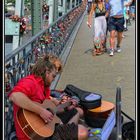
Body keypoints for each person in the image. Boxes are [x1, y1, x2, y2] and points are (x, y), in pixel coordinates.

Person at [8, 54, 88, 140]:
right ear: (47, 72)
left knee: (73, 112)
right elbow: (14, 96)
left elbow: (52, 110)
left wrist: (67, 107)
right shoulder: (30, 82)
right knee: (83, 132)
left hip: (45, 128)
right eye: (53, 76)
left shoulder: (44, 87)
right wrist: (41, 111)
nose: (54, 79)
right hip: (32, 134)